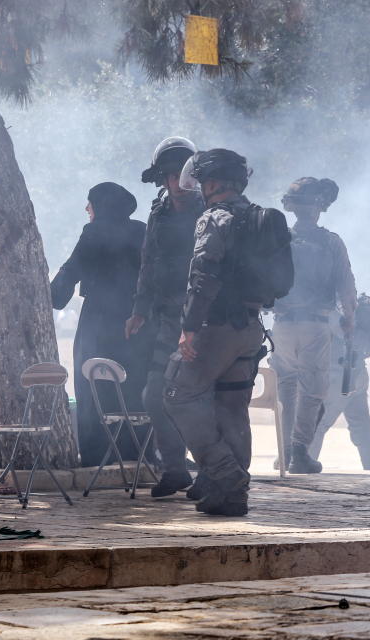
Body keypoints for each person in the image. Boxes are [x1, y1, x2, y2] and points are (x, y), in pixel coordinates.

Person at [163, 149, 292, 516]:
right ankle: (231, 496)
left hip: (215, 327)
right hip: (251, 327)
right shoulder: (259, 218)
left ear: (215, 183)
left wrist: (189, 328)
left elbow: (203, 276)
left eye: (204, 182)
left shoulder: (214, 218)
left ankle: (226, 474)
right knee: (232, 407)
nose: (201, 189)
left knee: (178, 394)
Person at [126, 137, 204, 498]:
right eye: (171, 176)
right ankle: (174, 468)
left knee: (203, 398)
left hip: (204, 320)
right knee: (154, 395)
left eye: (182, 175)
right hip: (167, 319)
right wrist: (140, 310)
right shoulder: (158, 214)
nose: (178, 183)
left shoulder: (209, 211)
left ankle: (211, 472)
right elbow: (148, 262)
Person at [51, 182, 147, 466]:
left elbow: (72, 267)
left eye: (89, 203)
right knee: (133, 384)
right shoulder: (142, 230)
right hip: (137, 320)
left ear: (100, 206)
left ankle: (98, 454)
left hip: (100, 321)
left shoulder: (94, 232)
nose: (86, 209)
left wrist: (51, 295)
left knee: (92, 381)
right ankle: (136, 451)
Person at [270, 177, 357, 474]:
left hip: (281, 325)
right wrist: (350, 320)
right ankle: (299, 452)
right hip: (315, 325)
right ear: (319, 207)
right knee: (313, 390)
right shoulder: (331, 241)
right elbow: (347, 286)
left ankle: (284, 452)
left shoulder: (278, 238)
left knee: (286, 388)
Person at [306, 306, 370, 471]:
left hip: (339, 376)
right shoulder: (350, 304)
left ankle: (305, 466)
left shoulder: (333, 308)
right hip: (357, 373)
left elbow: (341, 331)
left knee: (319, 424)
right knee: (362, 429)